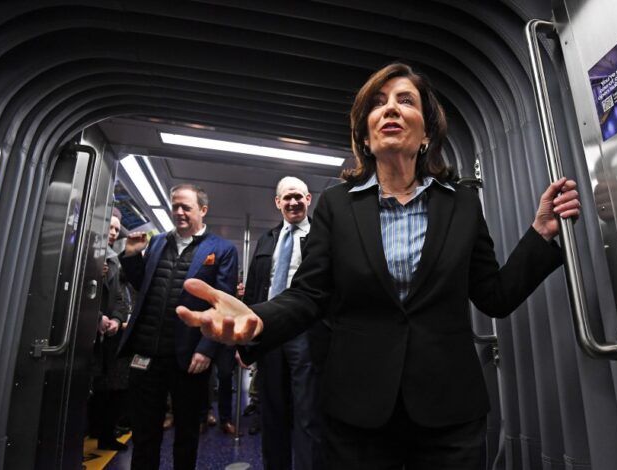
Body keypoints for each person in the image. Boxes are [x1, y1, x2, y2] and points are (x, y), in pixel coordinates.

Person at [177, 63, 580, 469]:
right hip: (358, 410)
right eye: (378, 103)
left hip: (449, 409)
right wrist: (258, 320)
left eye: (405, 101)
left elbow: (494, 295)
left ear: (426, 133)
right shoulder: (337, 205)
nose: (390, 109)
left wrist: (540, 235)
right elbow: (309, 294)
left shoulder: (460, 203)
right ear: (365, 136)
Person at [119, 183, 238, 470]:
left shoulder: (221, 250)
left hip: (189, 356)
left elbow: (223, 305)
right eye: (176, 207)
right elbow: (143, 287)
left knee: (186, 432)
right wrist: (132, 256)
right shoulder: (157, 241)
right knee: (145, 433)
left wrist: (207, 349)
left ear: (203, 210)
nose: (180, 212)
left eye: (187, 207)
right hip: (148, 352)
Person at [240, 176, 326, 470]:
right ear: (277, 203)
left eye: (298, 197)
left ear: (309, 199)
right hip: (270, 335)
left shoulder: (323, 238)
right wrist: (246, 343)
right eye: (287, 198)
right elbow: (253, 291)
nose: (293, 202)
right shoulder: (267, 240)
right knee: (271, 411)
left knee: (307, 414)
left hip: (307, 334)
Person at [88, 209, 129, 451]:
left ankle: (104, 433)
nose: (113, 233)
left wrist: (116, 318)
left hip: (110, 334)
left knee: (110, 387)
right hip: (89, 334)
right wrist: (98, 317)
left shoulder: (114, 260)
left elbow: (121, 298)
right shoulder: (87, 255)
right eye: (110, 227)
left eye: (116, 229)